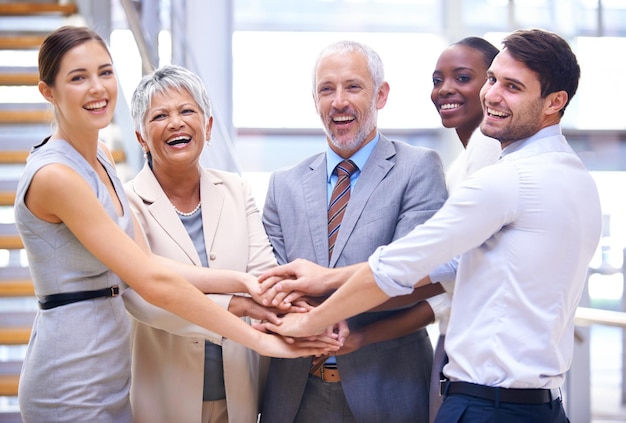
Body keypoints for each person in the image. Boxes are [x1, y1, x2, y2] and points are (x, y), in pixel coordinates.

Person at [257, 29, 602, 423]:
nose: (491, 95)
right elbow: (448, 266)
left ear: (555, 102)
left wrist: (311, 319)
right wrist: (324, 281)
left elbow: (401, 266)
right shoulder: (575, 176)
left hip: (487, 405)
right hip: (539, 404)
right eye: (492, 79)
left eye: (512, 86)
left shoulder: (505, 181)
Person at [14, 26, 338, 422]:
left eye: (105, 72)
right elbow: (148, 280)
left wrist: (247, 282)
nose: (97, 88)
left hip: (109, 370)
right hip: (72, 371)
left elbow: (149, 261)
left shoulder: (99, 156)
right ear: (48, 91)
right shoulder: (57, 177)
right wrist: (256, 335)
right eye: (78, 77)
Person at [259, 40, 448, 423]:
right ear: (314, 100)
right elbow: (268, 280)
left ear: (381, 95)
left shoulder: (418, 169)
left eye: (353, 87)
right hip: (296, 392)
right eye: (326, 89)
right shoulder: (283, 184)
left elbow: (415, 276)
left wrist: (320, 307)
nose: (339, 101)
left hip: (388, 390)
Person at [122, 64, 290, 423]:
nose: (176, 123)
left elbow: (263, 273)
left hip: (239, 394)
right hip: (162, 397)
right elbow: (142, 298)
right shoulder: (127, 202)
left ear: (208, 126)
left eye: (187, 111)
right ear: (140, 137)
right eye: (160, 116)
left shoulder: (235, 189)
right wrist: (238, 305)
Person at [426, 36, 502, 422]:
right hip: (457, 338)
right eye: (438, 79)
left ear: (493, 85)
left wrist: (343, 288)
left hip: (479, 358)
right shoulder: (464, 159)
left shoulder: (491, 150)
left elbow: (452, 262)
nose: (445, 90)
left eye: (462, 77)